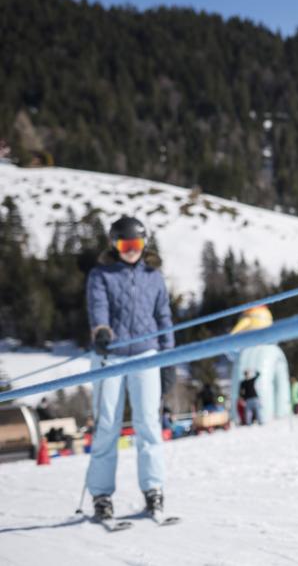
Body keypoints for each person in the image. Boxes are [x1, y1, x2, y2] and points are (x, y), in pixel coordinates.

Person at [85, 215, 173, 521]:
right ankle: (101, 495)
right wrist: (102, 331)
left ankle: (153, 490)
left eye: (136, 244)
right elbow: (98, 307)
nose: (131, 250)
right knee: (107, 425)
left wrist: (167, 357)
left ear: (144, 243)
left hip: (147, 355)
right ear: (114, 244)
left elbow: (164, 317)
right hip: (110, 355)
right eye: (125, 244)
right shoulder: (101, 274)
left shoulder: (154, 276)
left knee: (148, 424)